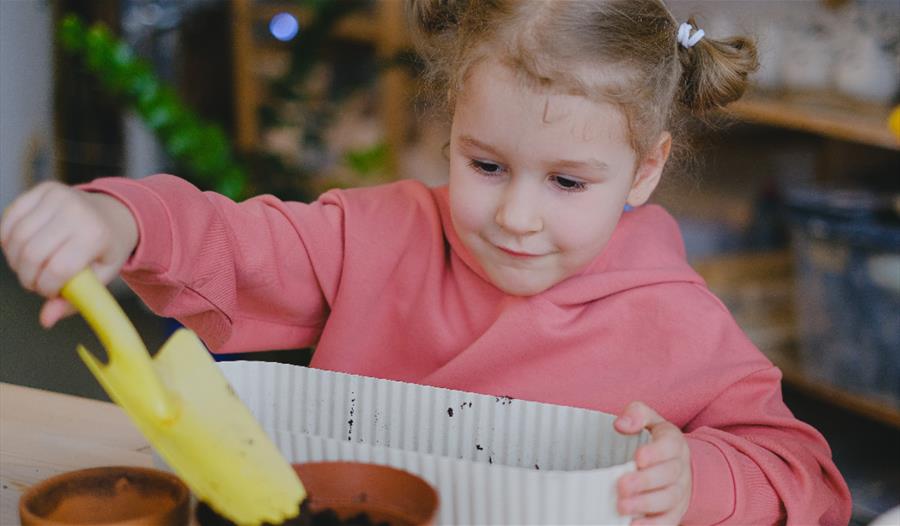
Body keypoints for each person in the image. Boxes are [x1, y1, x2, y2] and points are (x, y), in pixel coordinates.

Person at [1, 1, 851, 524]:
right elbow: (236, 241)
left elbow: (807, 479)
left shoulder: (678, 320)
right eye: (485, 165)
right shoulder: (383, 234)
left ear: (647, 169)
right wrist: (120, 219)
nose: (516, 217)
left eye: (565, 181)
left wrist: (695, 478)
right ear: (449, 131)